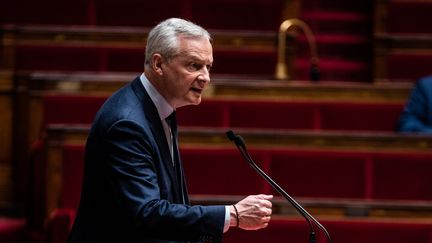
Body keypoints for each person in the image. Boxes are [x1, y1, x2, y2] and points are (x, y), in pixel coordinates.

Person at [68, 18, 273, 243]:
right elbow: (147, 213)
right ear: (158, 64)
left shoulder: (160, 106)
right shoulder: (128, 124)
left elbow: (171, 202)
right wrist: (232, 215)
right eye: (194, 65)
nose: (206, 77)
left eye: (208, 66)